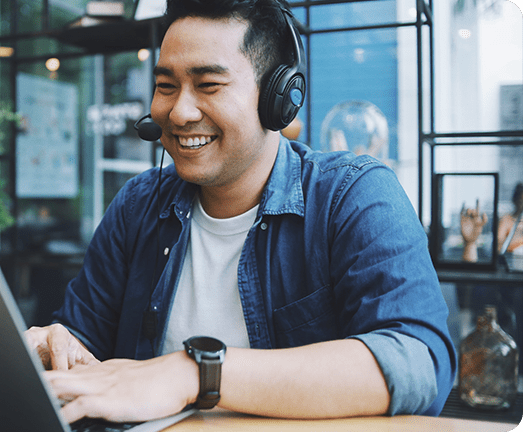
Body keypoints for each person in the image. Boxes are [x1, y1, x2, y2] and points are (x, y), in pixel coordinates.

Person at [25, 0, 456, 424]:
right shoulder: (137, 204)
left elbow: (418, 362)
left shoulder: (353, 194)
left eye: (209, 85)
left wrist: (196, 372)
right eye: (166, 86)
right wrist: (57, 346)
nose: (178, 112)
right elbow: (85, 344)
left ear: (279, 98)